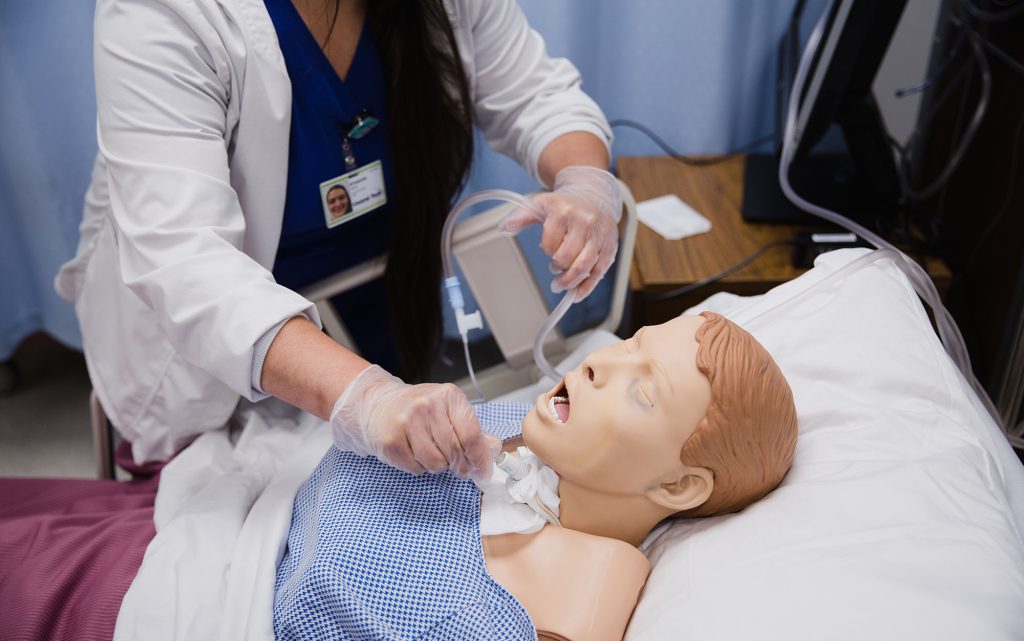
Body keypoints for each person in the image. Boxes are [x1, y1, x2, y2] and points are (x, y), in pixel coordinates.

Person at [54, 0, 623, 481]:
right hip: (222, 366)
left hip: (381, 315)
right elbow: (184, 261)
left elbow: (536, 94)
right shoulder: (165, 14)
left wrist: (586, 183)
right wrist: (364, 397)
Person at [274, 312, 799, 641]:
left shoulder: (583, 597)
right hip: (262, 519)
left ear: (678, 485)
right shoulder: (505, 427)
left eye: (643, 392)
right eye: (628, 344)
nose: (599, 364)